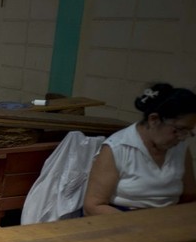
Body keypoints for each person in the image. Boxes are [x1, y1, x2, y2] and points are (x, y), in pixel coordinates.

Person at [83, 83, 196, 216]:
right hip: (122, 219)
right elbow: (93, 205)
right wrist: (142, 225)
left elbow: (189, 195)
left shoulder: (180, 148)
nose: (182, 137)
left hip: (166, 219)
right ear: (154, 119)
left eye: (188, 132)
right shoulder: (118, 147)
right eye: (179, 130)